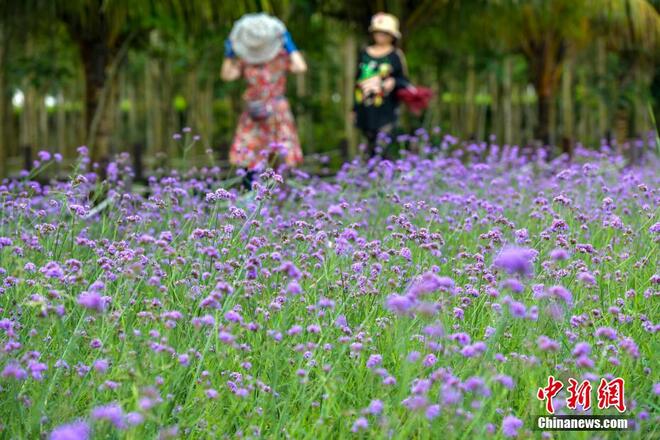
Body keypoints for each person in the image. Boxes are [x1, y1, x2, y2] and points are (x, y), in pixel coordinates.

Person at [221, 13, 307, 189]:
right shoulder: (245, 59)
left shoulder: (281, 55)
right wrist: (229, 54)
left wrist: (290, 46)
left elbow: (300, 67)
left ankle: (278, 198)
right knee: (247, 155)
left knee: (279, 155)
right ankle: (248, 195)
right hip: (254, 111)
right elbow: (227, 75)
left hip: (277, 111)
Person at [353, 13, 410, 159]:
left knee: (383, 147)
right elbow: (357, 80)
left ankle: (385, 177)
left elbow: (405, 82)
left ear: (392, 36)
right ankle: (371, 178)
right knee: (369, 148)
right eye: (378, 32)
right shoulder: (364, 53)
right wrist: (353, 108)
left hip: (386, 110)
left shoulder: (396, 55)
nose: (381, 36)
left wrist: (393, 82)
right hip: (365, 108)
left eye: (385, 33)